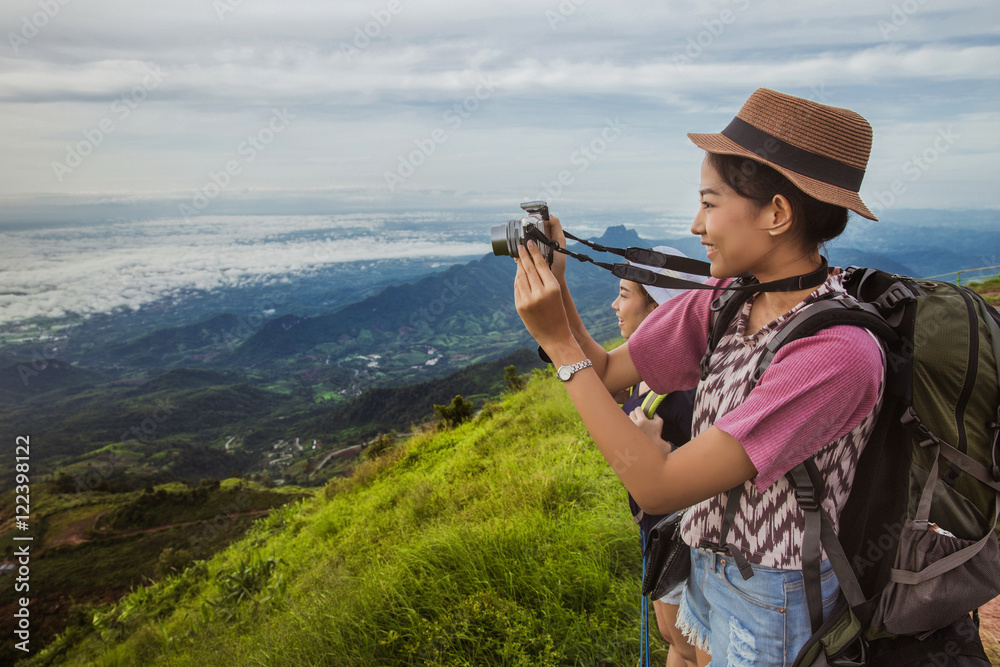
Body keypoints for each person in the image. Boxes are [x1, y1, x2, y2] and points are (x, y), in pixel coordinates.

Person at [512, 88, 885, 666]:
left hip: (775, 597)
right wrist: (557, 290)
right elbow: (610, 373)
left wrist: (559, 347)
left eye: (710, 204)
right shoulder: (727, 302)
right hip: (709, 565)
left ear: (778, 213)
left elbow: (658, 487)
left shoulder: (835, 354)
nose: (695, 225)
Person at [612, 248, 701, 667]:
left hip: (686, 542)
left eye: (624, 294)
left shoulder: (684, 389)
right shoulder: (648, 376)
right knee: (671, 637)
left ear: (657, 308)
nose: (615, 305)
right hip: (659, 536)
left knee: (688, 643)